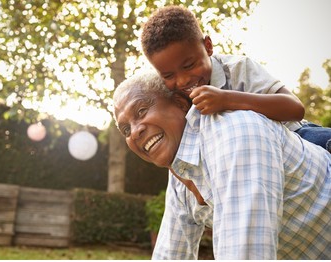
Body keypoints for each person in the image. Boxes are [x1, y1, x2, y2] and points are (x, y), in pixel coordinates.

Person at [113, 69, 331, 260]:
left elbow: (245, 261)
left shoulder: (235, 132)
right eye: (125, 130)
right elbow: (169, 259)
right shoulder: (181, 176)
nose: (135, 131)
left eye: (141, 111)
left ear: (180, 104)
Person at [140, 5, 331, 152]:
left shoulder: (237, 68)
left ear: (207, 46)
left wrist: (227, 99)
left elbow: (295, 109)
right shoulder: (175, 99)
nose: (182, 81)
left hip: (299, 138)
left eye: (189, 65)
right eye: (168, 75)